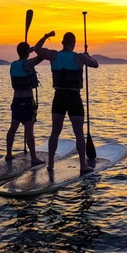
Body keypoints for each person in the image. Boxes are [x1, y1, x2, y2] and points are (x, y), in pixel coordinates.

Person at [35, 31, 99, 174]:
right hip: (73, 97)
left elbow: (37, 49)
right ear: (74, 43)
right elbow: (95, 64)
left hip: (59, 97)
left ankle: (50, 164)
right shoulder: (79, 57)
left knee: (55, 132)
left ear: (63, 43)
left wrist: (45, 37)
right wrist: (87, 56)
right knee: (78, 133)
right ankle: (83, 165)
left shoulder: (54, 55)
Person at [6, 31, 55, 165]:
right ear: (27, 52)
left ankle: (8, 154)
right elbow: (42, 56)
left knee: (13, 128)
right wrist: (43, 38)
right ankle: (33, 158)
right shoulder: (27, 64)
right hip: (26, 102)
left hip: (16, 101)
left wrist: (28, 50)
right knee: (29, 130)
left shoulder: (13, 65)